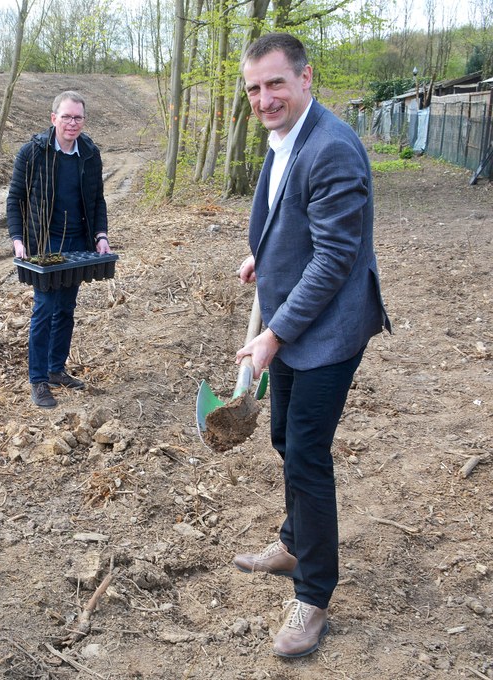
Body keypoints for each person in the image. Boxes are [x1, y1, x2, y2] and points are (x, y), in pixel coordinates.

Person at [231, 33, 391, 657]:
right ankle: (296, 539)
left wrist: (272, 334)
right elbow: (287, 220)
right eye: (254, 88)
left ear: (305, 78)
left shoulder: (332, 149)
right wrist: (262, 257)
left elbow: (333, 261)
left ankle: (314, 593)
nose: (265, 98)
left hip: (327, 331)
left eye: (275, 83)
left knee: (307, 455)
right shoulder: (284, 139)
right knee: (282, 438)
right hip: (294, 319)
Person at [6, 91, 111, 409]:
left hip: (78, 243)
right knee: (45, 309)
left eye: (78, 117)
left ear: (84, 120)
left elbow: (97, 200)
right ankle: (38, 380)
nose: (72, 123)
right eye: (66, 116)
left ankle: (55, 369)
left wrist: (101, 235)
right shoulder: (32, 153)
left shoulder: (90, 155)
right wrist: (18, 238)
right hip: (44, 244)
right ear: (53, 119)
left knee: (66, 308)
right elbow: (15, 199)